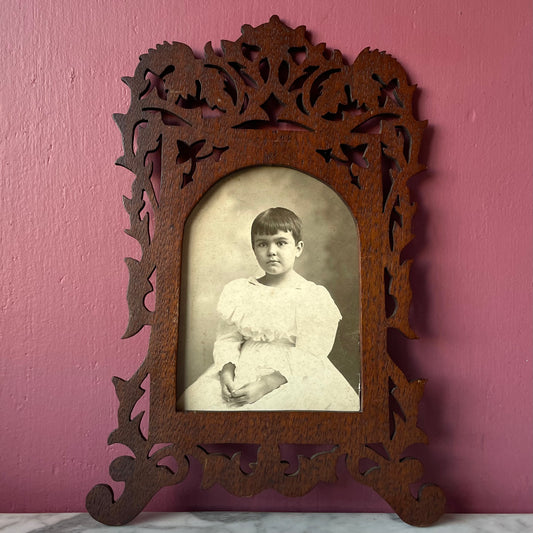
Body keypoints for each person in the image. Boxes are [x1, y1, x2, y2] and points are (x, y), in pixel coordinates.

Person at [178, 207, 359, 411]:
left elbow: (312, 352)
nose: (271, 251)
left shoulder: (312, 295)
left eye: (281, 243)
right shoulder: (239, 290)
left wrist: (265, 384)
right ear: (254, 249)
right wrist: (227, 372)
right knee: (199, 404)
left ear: (298, 248)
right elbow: (228, 338)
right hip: (242, 369)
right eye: (262, 244)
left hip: (294, 374)